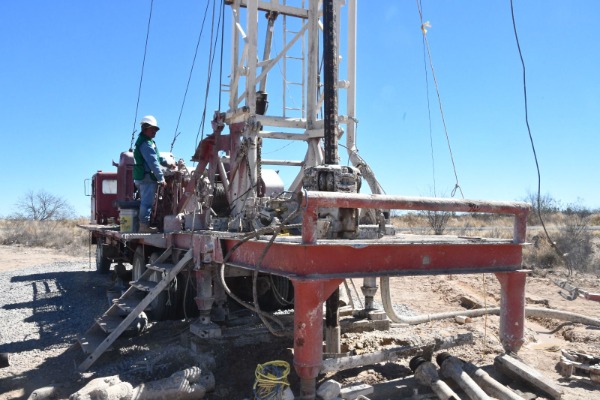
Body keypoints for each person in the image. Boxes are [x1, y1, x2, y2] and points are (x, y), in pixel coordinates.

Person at [133, 115, 172, 233]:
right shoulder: (145, 143)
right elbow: (153, 162)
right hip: (146, 178)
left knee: (146, 202)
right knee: (147, 203)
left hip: (143, 177)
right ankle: (144, 226)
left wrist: (168, 164)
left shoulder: (149, 142)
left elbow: (157, 158)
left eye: (156, 129)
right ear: (145, 129)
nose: (155, 132)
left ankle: (144, 224)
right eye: (152, 129)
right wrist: (161, 178)